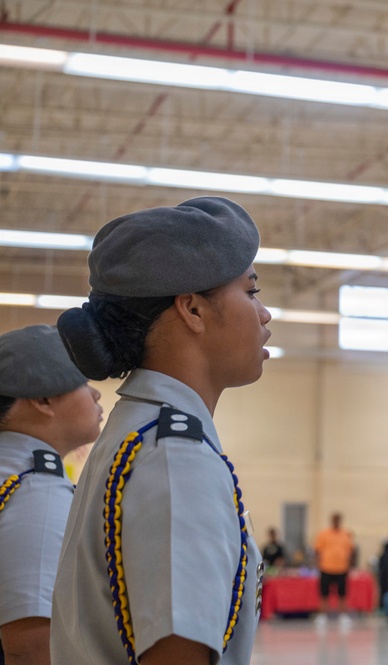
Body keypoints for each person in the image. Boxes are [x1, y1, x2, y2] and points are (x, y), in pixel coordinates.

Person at [50, 196, 272, 665]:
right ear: (192, 310)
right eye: (251, 293)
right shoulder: (175, 460)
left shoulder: (141, 434)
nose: (264, 314)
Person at [0, 326, 103, 665]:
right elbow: (32, 647)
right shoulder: (36, 492)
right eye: (80, 382)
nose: (96, 395)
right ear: (43, 400)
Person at [313, 512, 354, 623]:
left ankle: (343, 615)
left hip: (342, 568)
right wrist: (318, 563)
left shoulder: (346, 534)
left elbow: (350, 551)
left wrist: (349, 564)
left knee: (342, 593)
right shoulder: (324, 534)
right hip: (326, 567)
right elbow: (317, 550)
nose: (336, 522)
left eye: (338, 519)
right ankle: (322, 616)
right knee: (324, 593)